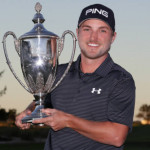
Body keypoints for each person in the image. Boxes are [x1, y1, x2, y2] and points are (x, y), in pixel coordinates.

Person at [15, 4, 135, 150]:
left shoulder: (121, 80)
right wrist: (29, 111)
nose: (93, 37)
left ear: (113, 37)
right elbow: (44, 101)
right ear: (77, 33)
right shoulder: (58, 72)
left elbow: (117, 136)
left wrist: (67, 120)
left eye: (102, 30)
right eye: (87, 29)